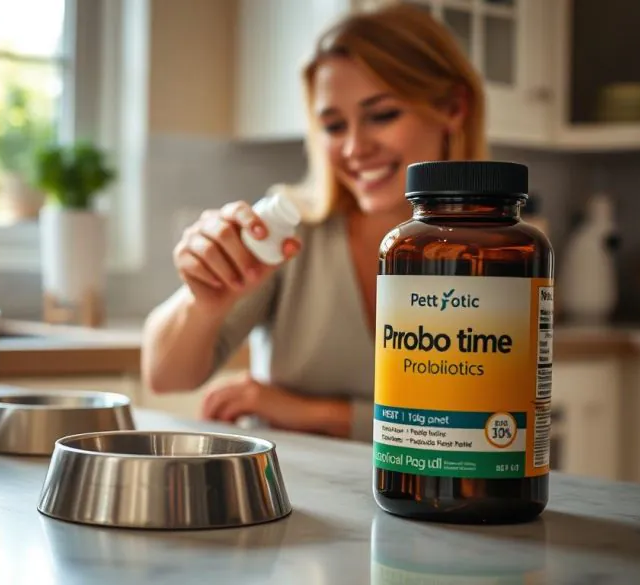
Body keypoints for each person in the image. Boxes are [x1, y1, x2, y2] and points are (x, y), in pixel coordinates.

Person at [140, 4, 488, 442]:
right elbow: (164, 376)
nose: (355, 148)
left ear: (454, 107)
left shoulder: (499, 251)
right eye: (334, 125)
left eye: (382, 115)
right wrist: (203, 302)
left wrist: (305, 412)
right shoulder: (289, 230)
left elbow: (478, 426)